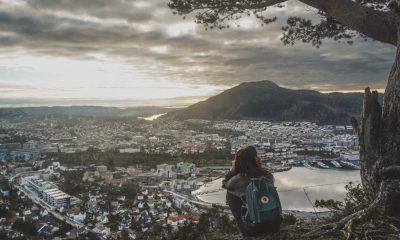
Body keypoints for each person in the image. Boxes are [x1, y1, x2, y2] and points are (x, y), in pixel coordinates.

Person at [222, 145, 281, 237]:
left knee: (230, 193)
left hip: (252, 230)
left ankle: (244, 221)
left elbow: (224, 184)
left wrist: (232, 170)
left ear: (238, 162)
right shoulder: (267, 175)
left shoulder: (237, 180)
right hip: (275, 225)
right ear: (255, 159)